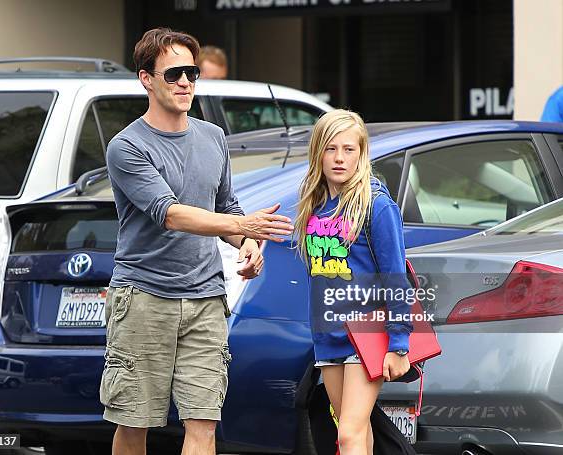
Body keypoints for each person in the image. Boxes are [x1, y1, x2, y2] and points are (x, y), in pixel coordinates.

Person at [100, 27, 294, 455]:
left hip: (206, 298)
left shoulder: (212, 137)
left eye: (191, 72)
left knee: (204, 423)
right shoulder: (127, 146)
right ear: (146, 79)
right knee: (135, 424)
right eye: (174, 74)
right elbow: (170, 214)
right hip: (144, 298)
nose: (186, 82)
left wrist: (245, 242)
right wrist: (244, 228)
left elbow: (228, 208)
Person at [294, 109, 413, 454]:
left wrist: (399, 342)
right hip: (328, 335)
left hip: (366, 335)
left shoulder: (375, 204)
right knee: (356, 432)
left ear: (362, 153)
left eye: (349, 149)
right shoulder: (314, 207)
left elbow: (395, 276)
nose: (339, 158)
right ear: (318, 153)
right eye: (331, 149)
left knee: (347, 434)